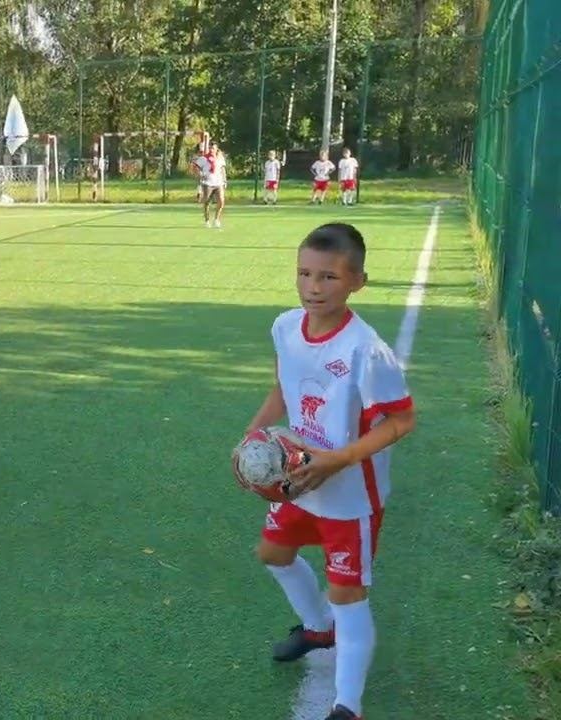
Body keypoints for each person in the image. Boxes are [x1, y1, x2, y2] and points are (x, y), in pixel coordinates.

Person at [239, 222, 416, 720]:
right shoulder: (284, 327)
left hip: (349, 493)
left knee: (347, 594)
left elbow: (402, 420)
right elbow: (283, 389)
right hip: (299, 479)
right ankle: (318, 629)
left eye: (328, 277)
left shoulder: (366, 350)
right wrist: (252, 437)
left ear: (357, 281)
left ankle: (347, 706)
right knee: (273, 553)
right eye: (304, 274)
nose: (313, 287)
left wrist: (337, 459)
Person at [201, 141, 226, 228]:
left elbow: (223, 169)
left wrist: (224, 180)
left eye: (213, 148)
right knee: (207, 202)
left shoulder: (220, 158)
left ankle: (216, 219)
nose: (211, 150)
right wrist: (201, 175)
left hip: (218, 182)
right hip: (208, 183)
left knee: (221, 201)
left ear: (216, 149)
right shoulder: (204, 158)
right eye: (210, 148)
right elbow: (195, 167)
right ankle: (207, 220)